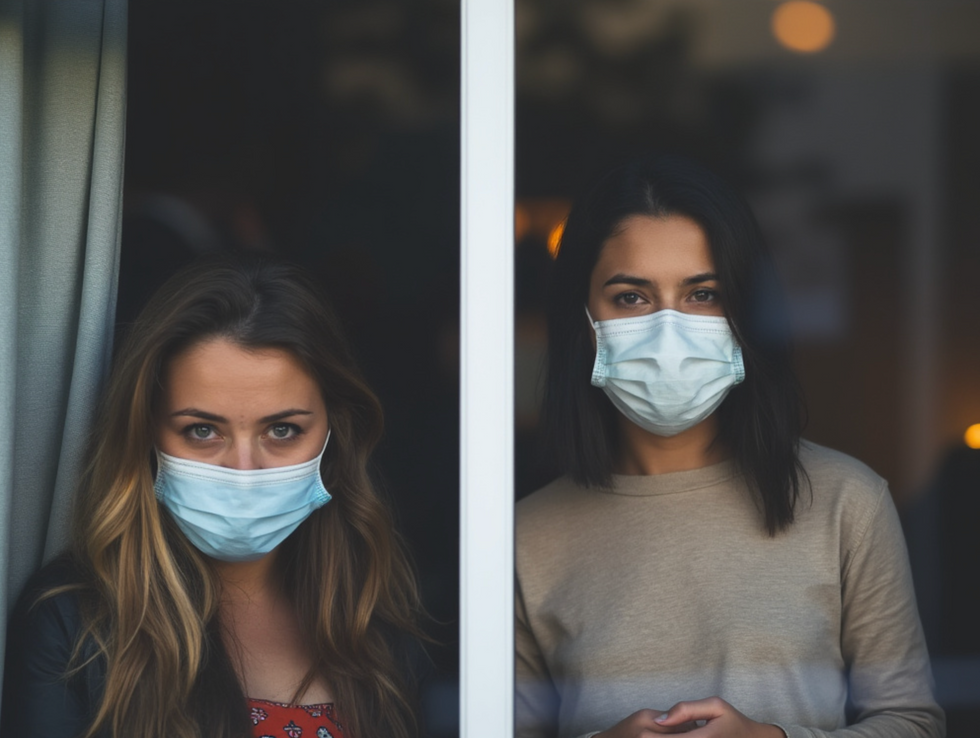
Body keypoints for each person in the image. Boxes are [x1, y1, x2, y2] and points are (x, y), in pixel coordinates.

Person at [515, 157, 945, 738]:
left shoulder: (847, 504)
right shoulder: (524, 538)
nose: (669, 330)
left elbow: (913, 723)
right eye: (632, 298)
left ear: (745, 311)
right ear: (583, 318)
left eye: (702, 293)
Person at [2, 256, 425, 738]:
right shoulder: (74, 625)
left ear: (334, 433)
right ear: (145, 434)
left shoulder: (371, 617)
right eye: (202, 430)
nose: (243, 470)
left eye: (282, 430)